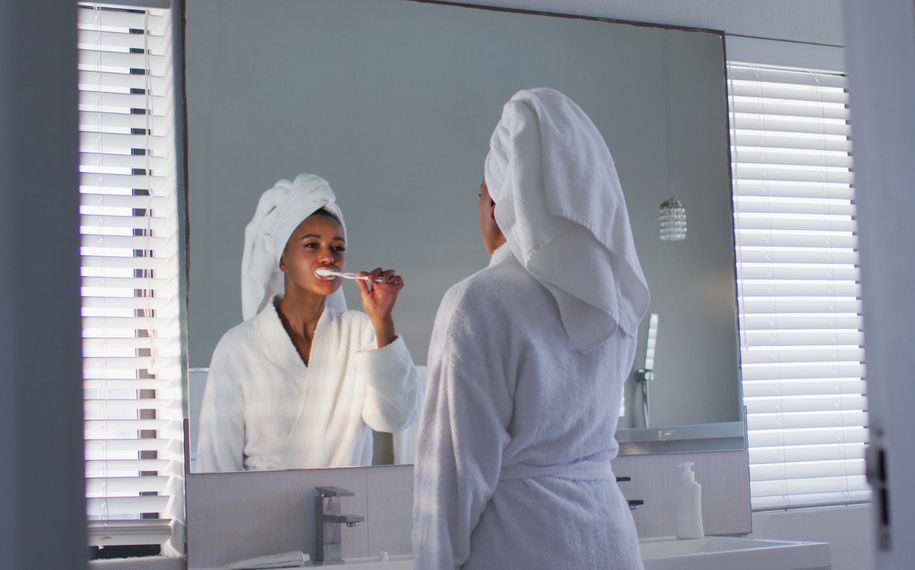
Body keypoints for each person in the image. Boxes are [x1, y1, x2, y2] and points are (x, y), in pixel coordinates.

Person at [412, 88, 650, 569]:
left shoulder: (477, 303)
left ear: (501, 195)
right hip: (611, 544)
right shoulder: (617, 299)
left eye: (481, 191)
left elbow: (450, 482)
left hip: (522, 544)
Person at [196, 173, 421, 472]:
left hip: (347, 516)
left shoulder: (360, 333)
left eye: (337, 247)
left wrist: (382, 320)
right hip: (262, 516)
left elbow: (396, 416)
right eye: (312, 245)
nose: (328, 257)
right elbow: (216, 467)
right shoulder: (238, 348)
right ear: (283, 260)